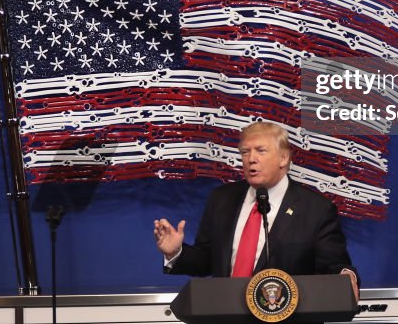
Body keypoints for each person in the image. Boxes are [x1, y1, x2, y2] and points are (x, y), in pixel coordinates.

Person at [153, 122, 360, 300]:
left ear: (283, 158)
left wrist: (344, 274)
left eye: (261, 151)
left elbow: (333, 265)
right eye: (245, 151)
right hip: (226, 316)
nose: (251, 159)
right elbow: (206, 260)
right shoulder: (222, 199)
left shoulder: (316, 209)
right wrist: (176, 252)